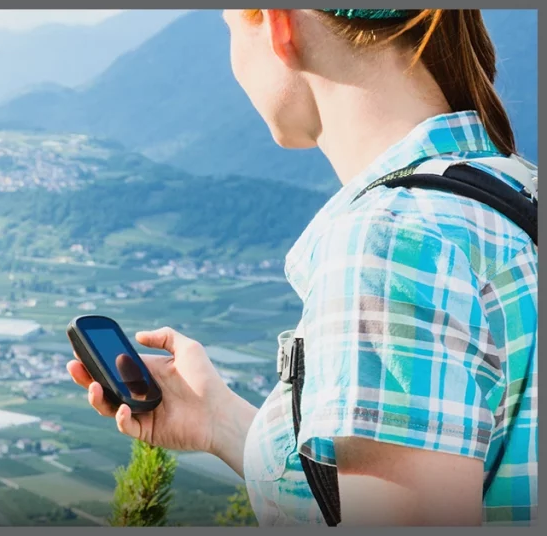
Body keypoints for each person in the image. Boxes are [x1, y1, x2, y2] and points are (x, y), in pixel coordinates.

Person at [66, 9, 537, 527]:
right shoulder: (513, 187)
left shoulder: (389, 242)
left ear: (278, 24)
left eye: (228, 25)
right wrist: (218, 420)